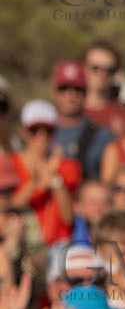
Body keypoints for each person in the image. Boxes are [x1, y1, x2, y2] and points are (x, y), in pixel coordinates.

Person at [11, 101, 80, 245]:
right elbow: (12, 207)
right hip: (23, 244)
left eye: (48, 131)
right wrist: (38, 183)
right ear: (23, 131)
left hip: (60, 245)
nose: (41, 137)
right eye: (34, 130)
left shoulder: (69, 166)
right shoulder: (9, 164)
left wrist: (55, 179)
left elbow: (68, 217)